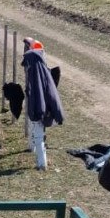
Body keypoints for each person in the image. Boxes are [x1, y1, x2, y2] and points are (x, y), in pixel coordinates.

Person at [22, 37, 64, 171]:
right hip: (38, 109)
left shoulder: (38, 75)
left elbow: (50, 95)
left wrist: (52, 113)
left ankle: (42, 163)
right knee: (36, 131)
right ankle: (34, 150)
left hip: (40, 111)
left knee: (38, 134)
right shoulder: (38, 69)